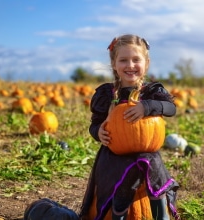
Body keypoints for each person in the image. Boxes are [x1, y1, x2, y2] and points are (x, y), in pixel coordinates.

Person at [79, 34, 180, 220]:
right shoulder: (106, 94)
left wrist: (147, 106)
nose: (130, 65)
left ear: (146, 63)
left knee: (153, 178)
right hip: (114, 155)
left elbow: (171, 108)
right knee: (119, 186)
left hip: (147, 152)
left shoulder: (151, 92)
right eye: (123, 60)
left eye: (136, 60)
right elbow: (95, 123)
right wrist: (98, 132)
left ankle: (161, 216)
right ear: (114, 64)